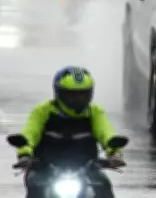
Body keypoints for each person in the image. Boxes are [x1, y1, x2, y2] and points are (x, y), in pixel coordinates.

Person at [13, 67, 126, 198]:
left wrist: (115, 154)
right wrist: (25, 155)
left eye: (82, 94)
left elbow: (106, 133)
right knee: (36, 186)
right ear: (59, 93)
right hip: (44, 167)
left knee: (103, 185)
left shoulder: (95, 112)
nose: (77, 99)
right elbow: (30, 133)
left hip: (86, 169)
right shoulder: (43, 111)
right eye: (71, 94)